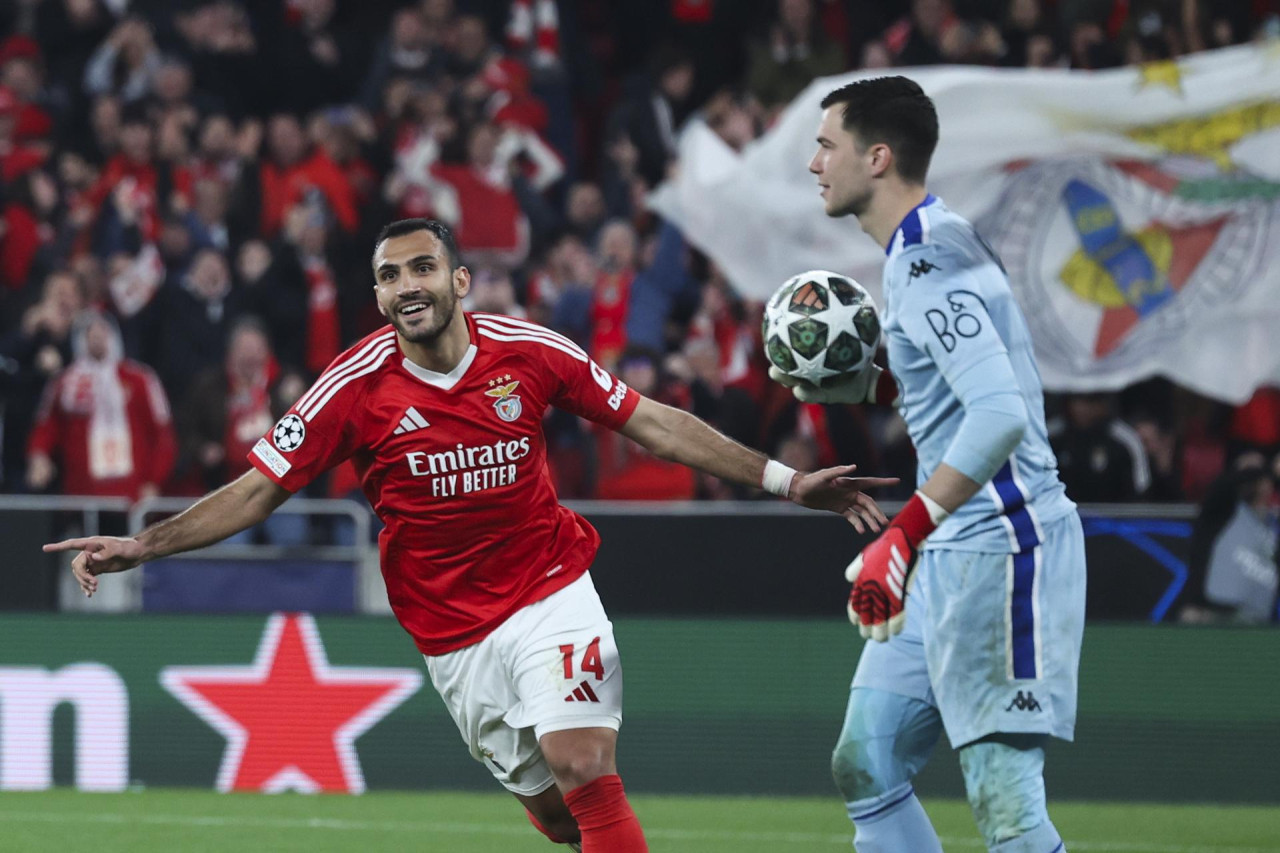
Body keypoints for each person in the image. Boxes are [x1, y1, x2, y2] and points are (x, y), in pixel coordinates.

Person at [44, 218, 896, 853]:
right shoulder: (354, 386)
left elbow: (653, 423)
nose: (407, 284)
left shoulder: (527, 350)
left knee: (581, 761)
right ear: (377, 295)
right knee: (562, 816)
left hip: (550, 586)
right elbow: (260, 489)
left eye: (423, 267)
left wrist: (785, 481)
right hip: (455, 637)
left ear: (459, 280)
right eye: (389, 275)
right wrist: (141, 545)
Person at [783, 76, 1085, 853]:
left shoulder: (925, 265)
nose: (814, 162)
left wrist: (900, 535)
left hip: (1004, 545)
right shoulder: (930, 243)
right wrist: (871, 382)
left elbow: (998, 415)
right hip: (955, 549)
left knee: (1006, 805)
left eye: (826, 144)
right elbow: (966, 393)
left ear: (877, 157)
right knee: (866, 759)